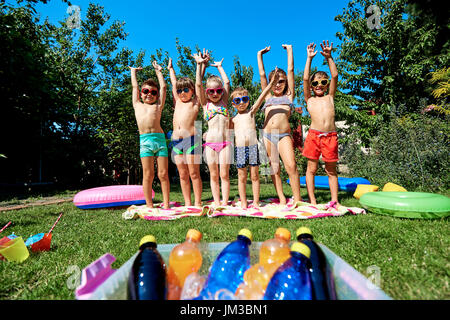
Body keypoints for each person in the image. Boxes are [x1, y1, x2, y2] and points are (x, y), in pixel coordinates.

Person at [257, 44, 302, 205]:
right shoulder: (267, 96)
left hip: (283, 136)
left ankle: (297, 198)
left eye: (281, 81)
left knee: (291, 166)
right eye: (274, 81)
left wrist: (290, 50)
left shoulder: (289, 96)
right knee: (274, 168)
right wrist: (259, 55)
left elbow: (290, 71)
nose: (277, 84)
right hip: (268, 136)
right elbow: (262, 75)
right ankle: (282, 198)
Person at [230, 69, 280, 209]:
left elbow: (262, 96)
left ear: (248, 100)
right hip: (240, 150)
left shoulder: (251, 112)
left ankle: (256, 202)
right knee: (241, 177)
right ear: (233, 103)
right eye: (237, 100)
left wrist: (271, 84)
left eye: (244, 99)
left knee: (255, 176)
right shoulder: (233, 119)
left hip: (252, 149)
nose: (241, 102)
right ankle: (244, 202)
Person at [302, 41, 339, 206]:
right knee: (311, 169)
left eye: (323, 82)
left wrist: (329, 57)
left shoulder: (330, 97)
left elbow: (335, 75)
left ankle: (334, 200)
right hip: (314, 136)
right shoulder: (308, 99)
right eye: (315, 83)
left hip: (330, 136)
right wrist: (309, 58)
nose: (319, 85)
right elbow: (304, 78)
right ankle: (312, 200)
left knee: (331, 170)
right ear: (311, 86)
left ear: (327, 85)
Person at [167, 54, 207, 207]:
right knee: (183, 174)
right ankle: (187, 202)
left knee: (194, 173)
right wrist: (171, 69)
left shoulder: (196, 102)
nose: (182, 93)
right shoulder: (177, 101)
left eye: (185, 90)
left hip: (192, 140)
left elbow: (198, 84)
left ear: (192, 92)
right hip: (177, 141)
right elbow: (173, 82)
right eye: (179, 91)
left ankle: (197, 202)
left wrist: (199, 65)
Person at [129, 62, 170, 209]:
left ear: (157, 95)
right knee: (148, 175)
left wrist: (159, 71)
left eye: (153, 92)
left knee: (163, 174)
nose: (149, 94)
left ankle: (166, 204)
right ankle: (149, 204)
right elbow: (134, 87)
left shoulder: (158, 106)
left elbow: (164, 87)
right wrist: (133, 72)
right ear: (141, 93)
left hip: (159, 141)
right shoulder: (137, 104)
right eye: (146, 91)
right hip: (145, 141)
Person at [193, 52, 232, 207]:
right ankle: (216, 201)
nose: (215, 94)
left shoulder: (224, 103)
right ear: (207, 93)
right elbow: (198, 85)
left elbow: (227, 82)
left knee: (224, 174)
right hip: (210, 144)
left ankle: (225, 202)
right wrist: (199, 65)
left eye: (218, 91)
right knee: (214, 175)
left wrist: (220, 67)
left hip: (225, 144)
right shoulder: (205, 105)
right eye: (211, 91)